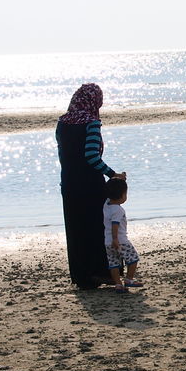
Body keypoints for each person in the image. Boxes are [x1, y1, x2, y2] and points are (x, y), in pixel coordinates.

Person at [55, 83, 125, 289]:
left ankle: (82, 276)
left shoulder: (62, 123)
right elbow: (92, 157)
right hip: (90, 185)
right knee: (98, 228)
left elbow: (63, 156)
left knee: (76, 229)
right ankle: (103, 273)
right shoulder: (91, 123)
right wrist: (114, 175)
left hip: (69, 183)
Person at [102, 177, 142, 292]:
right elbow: (115, 224)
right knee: (133, 258)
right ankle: (129, 279)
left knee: (114, 263)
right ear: (122, 196)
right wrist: (116, 239)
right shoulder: (118, 210)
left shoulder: (106, 205)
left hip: (107, 242)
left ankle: (118, 284)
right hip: (120, 240)